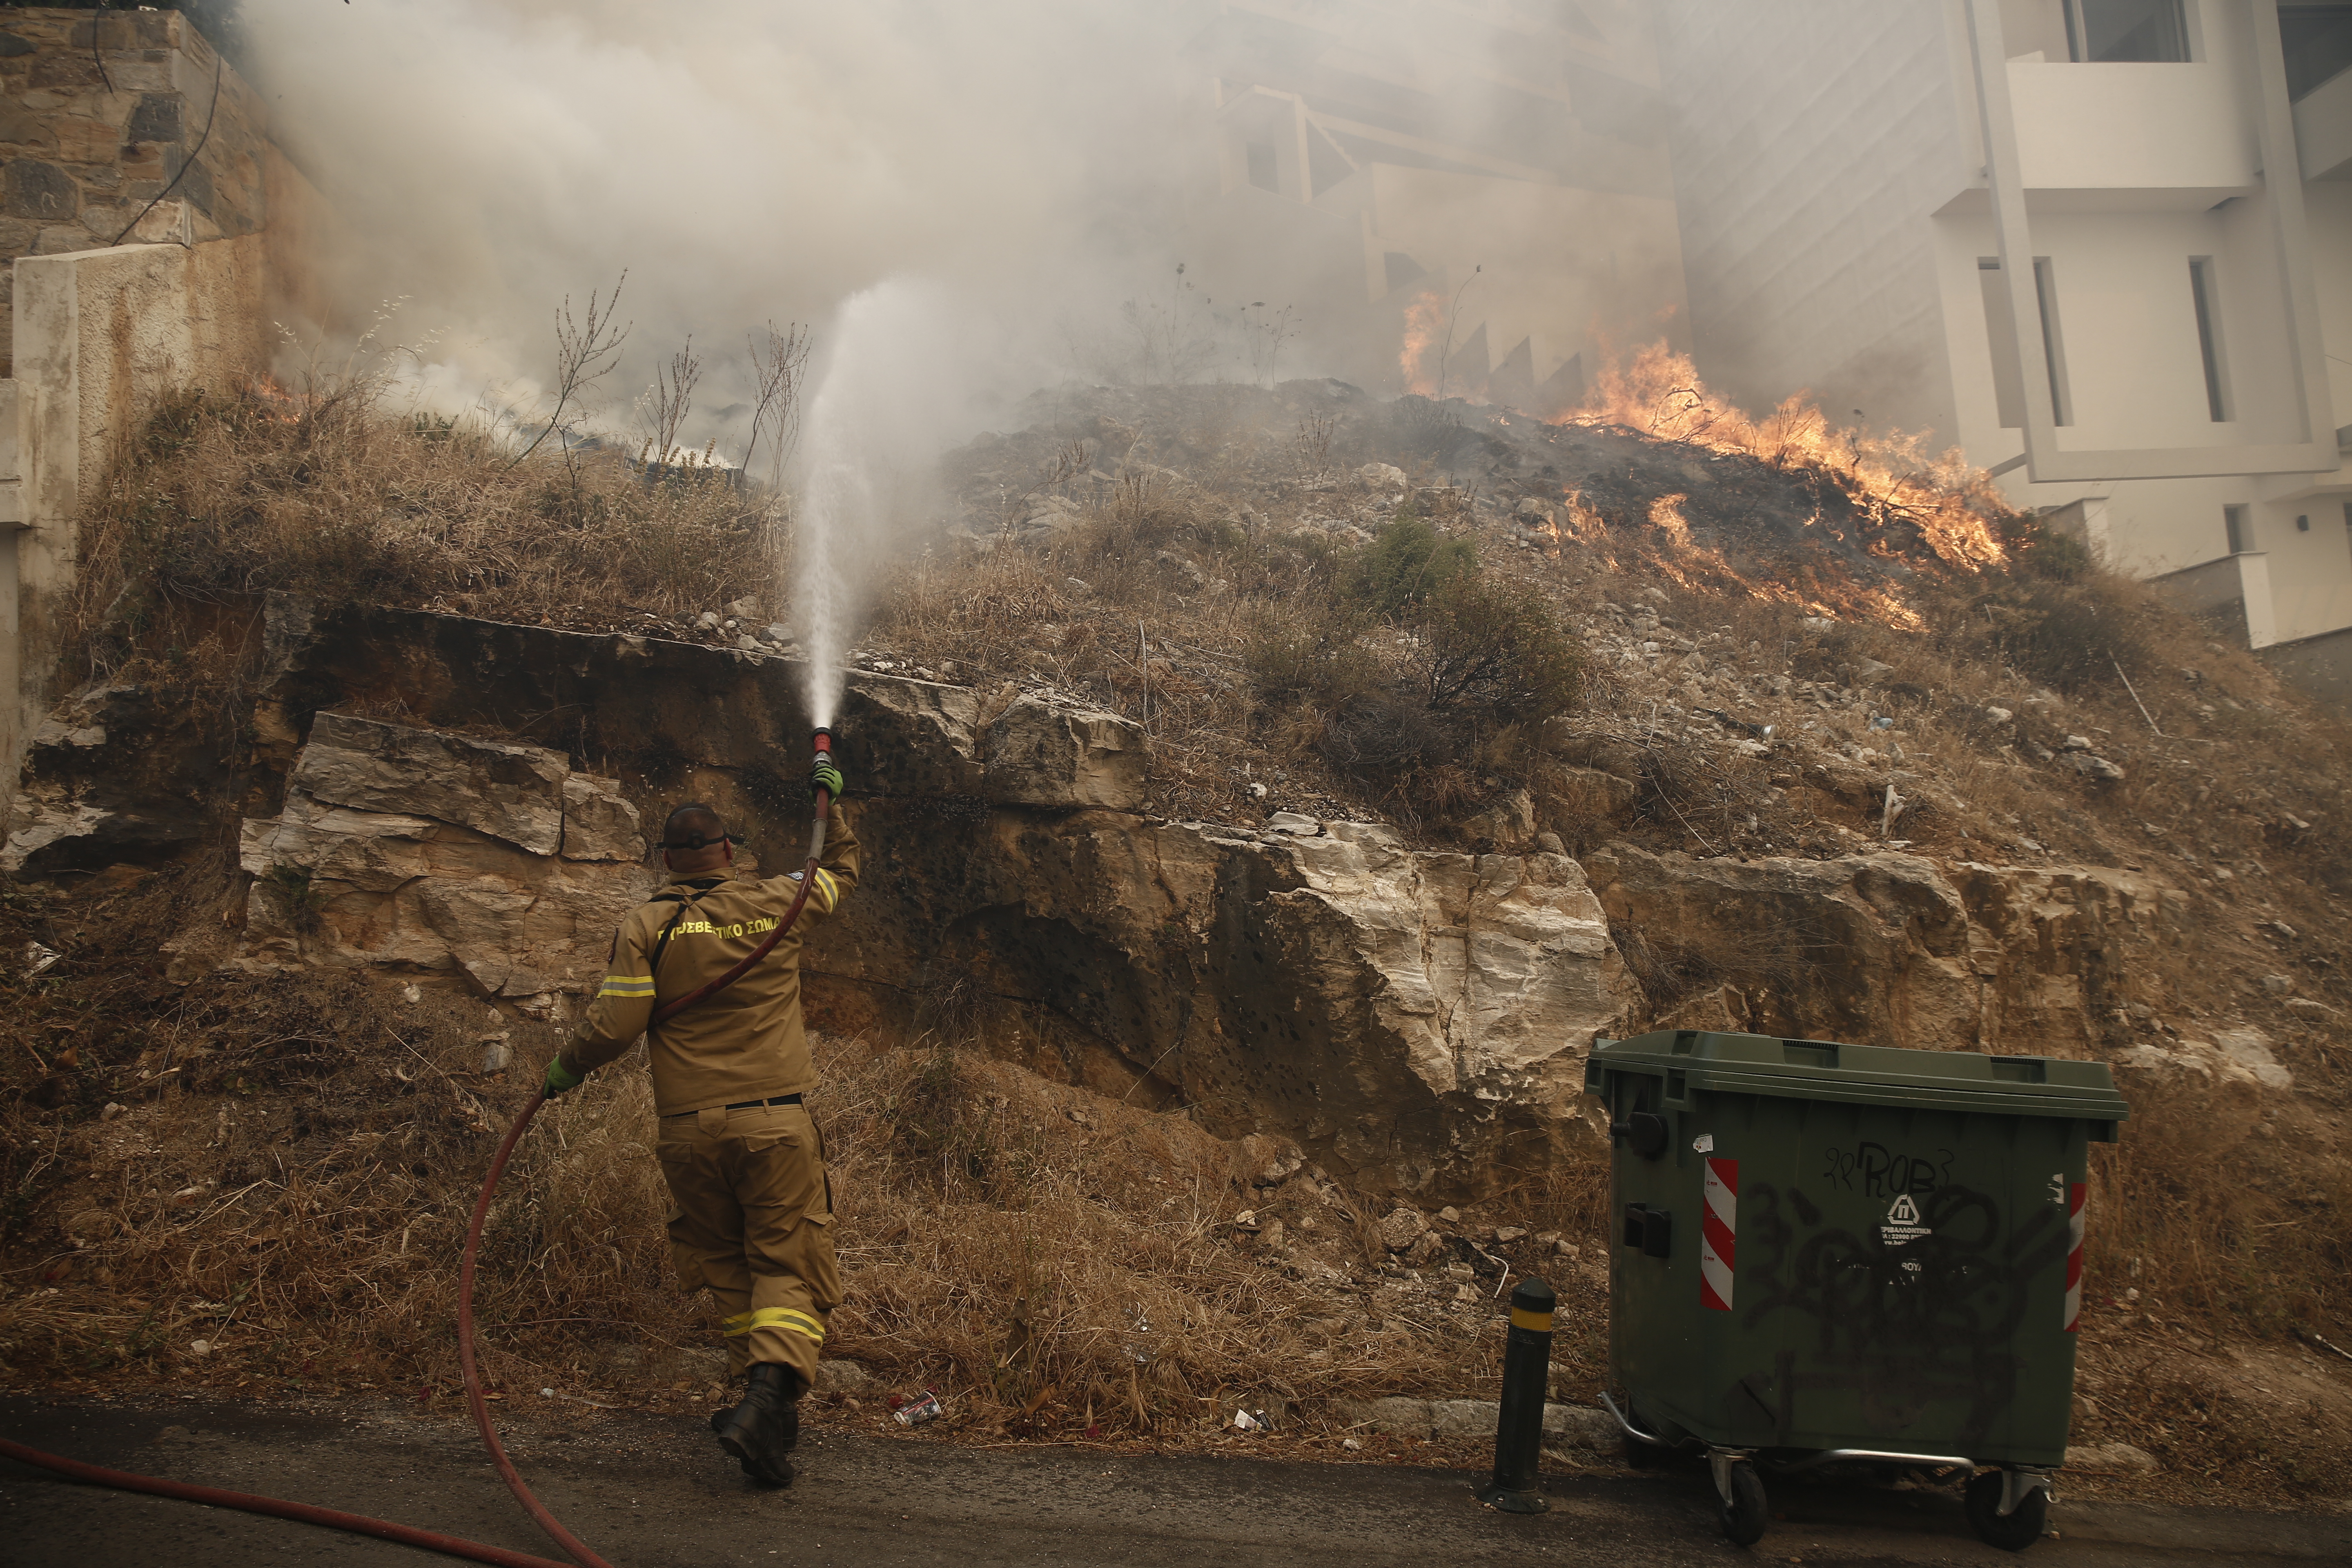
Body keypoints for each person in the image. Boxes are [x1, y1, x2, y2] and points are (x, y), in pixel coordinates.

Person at [541, 753, 857, 1488]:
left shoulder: (647, 924)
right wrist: (829, 806)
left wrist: (566, 1069)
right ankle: (769, 1396)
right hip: (772, 1124)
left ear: (665, 860)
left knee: (729, 1268)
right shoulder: (778, 901)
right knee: (787, 1262)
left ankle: (767, 1425)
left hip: (688, 1135)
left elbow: (618, 1024)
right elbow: (839, 870)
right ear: (729, 851)